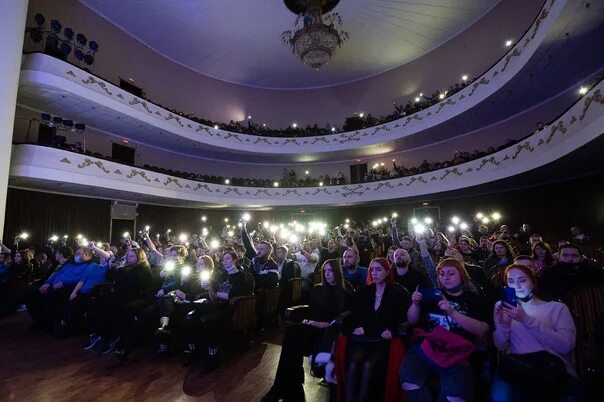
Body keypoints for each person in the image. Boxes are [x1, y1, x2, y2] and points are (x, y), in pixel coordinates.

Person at [400, 258, 490, 402]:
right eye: (441, 274)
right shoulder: (432, 295)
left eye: (450, 273)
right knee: (410, 382)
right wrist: (415, 304)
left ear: (461, 275)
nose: (445, 277)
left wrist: (453, 313)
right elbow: (412, 320)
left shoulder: (474, 300)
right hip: (427, 347)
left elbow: (482, 330)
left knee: (455, 397)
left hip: (458, 351)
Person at [262, 259, 352, 402]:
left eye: (330, 271)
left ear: (337, 272)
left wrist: (326, 323)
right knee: (291, 333)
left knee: (293, 343)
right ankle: (284, 386)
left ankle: (282, 388)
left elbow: (347, 316)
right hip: (313, 327)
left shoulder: (346, 290)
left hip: (330, 332)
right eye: (325, 271)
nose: (327, 274)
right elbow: (311, 311)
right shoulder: (318, 288)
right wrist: (310, 321)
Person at [492, 264, 579, 402]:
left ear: (533, 282)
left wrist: (525, 319)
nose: (517, 286)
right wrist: (503, 325)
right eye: (511, 281)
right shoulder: (503, 307)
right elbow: (501, 346)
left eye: (522, 280)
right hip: (519, 368)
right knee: (501, 396)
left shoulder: (557, 308)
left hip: (553, 369)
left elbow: (566, 346)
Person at [345, 258, 409, 402]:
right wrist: (372, 328)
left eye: (378, 269)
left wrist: (370, 328)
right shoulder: (364, 291)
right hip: (363, 338)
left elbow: (395, 320)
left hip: (382, 340)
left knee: (369, 365)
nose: (374, 273)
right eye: (372, 270)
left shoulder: (397, 293)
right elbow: (359, 317)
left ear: (387, 272)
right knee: (354, 363)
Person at [182, 250, 254, 369]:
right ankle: (194, 351)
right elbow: (213, 297)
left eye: (228, 259)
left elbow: (231, 295)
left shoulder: (241, 276)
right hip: (215, 305)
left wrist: (215, 293)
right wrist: (209, 287)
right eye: (224, 259)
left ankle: (213, 356)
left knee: (208, 321)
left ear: (235, 260)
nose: (225, 262)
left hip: (230, 308)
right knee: (190, 318)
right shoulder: (221, 275)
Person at [85, 248, 153, 356]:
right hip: (121, 294)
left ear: (139, 257)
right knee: (98, 303)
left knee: (112, 306)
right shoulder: (127, 267)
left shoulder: (143, 269)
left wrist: (120, 271)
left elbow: (132, 286)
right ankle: (100, 333)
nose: (128, 258)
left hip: (134, 297)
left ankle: (111, 337)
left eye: (132, 256)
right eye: (128, 256)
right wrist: (112, 268)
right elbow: (111, 278)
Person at [538, 244, 604, 303]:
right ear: (559, 257)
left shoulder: (594, 273)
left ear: (581, 258)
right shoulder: (548, 274)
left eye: (574, 256)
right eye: (565, 255)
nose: (570, 259)